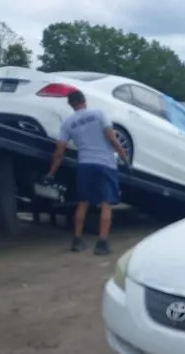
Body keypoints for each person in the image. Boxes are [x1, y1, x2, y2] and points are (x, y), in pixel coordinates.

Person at [45, 90, 128, 255]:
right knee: (106, 203)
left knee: (83, 202)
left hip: (85, 165)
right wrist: (124, 157)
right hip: (105, 165)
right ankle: (102, 243)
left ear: (71, 104)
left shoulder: (68, 123)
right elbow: (112, 139)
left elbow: (59, 151)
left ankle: (76, 240)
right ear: (84, 101)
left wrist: (51, 172)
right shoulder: (99, 114)